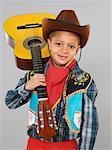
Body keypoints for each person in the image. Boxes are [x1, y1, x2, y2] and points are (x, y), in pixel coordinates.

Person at [5, 10, 99, 150]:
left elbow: (89, 126)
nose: (64, 50)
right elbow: (10, 102)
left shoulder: (85, 82)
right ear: (48, 43)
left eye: (71, 46)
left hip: (66, 146)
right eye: (58, 44)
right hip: (35, 144)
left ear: (77, 49)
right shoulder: (33, 75)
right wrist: (28, 86)